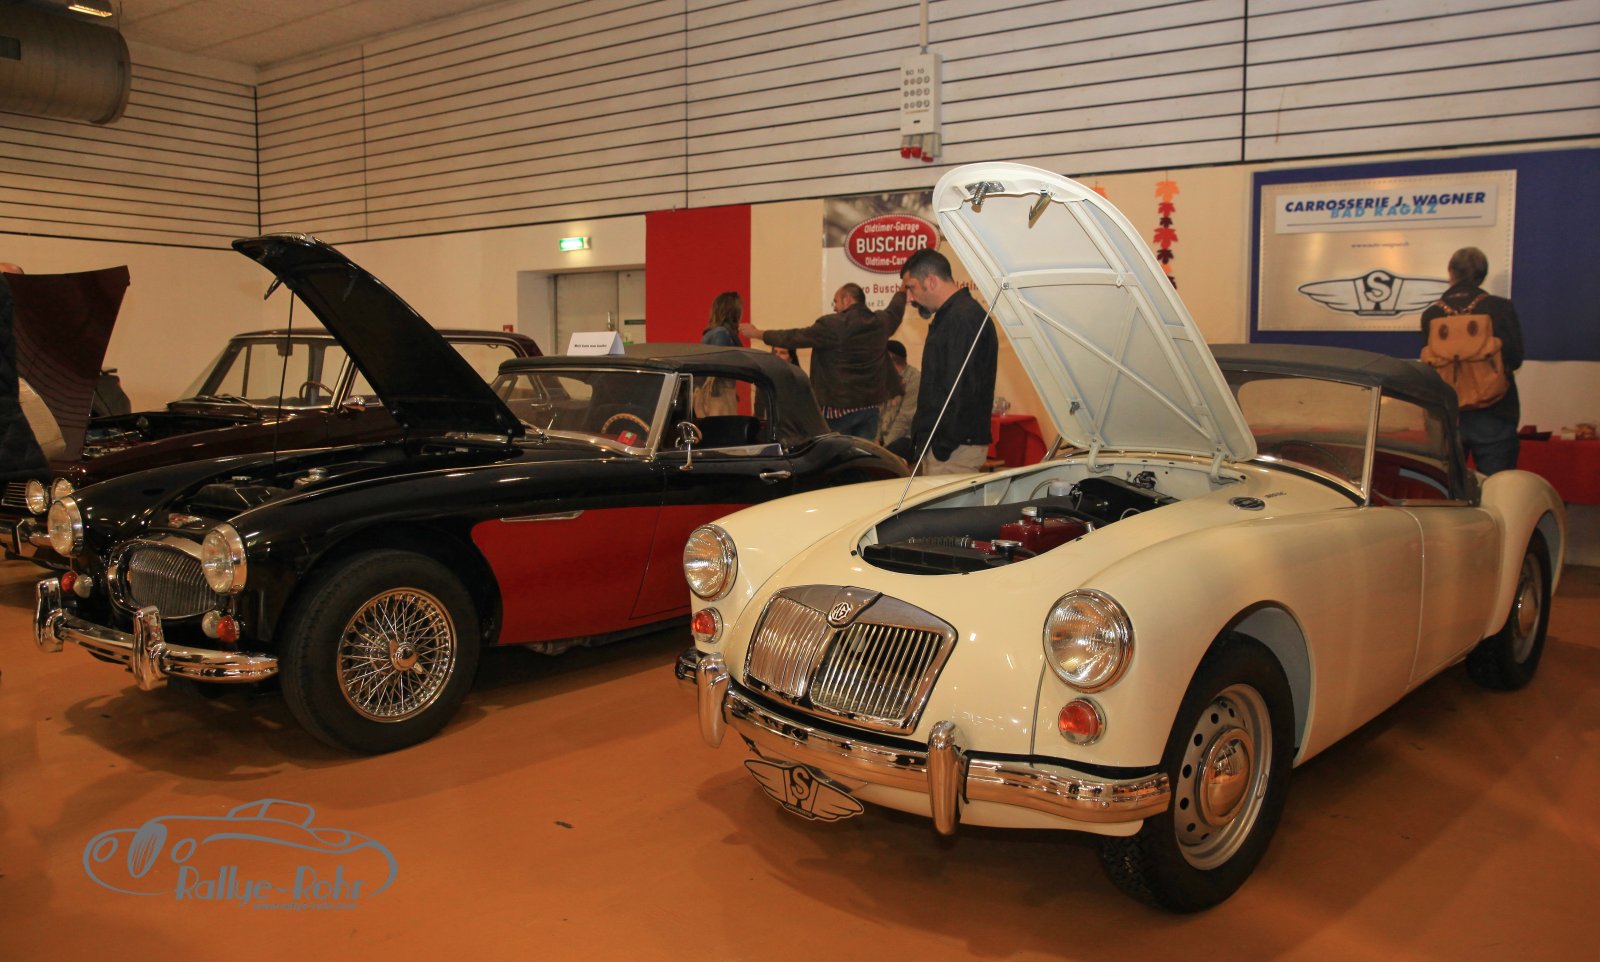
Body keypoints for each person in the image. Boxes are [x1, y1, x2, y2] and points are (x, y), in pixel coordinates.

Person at [741, 283, 905, 440]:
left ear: (847, 299)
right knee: (861, 457)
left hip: (838, 411)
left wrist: (757, 333)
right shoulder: (880, 322)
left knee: (835, 457)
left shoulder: (832, 325)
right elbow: (895, 310)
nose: (834, 308)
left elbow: (793, 337)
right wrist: (902, 291)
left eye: (836, 302)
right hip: (870, 409)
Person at [1420, 246, 1525, 474]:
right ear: (1482, 275)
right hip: (1494, 412)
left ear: (1451, 272)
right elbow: (1515, 358)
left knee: (1446, 486)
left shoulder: (1432, 314)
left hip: (1447, 415)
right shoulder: (1500, 308)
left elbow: (1429, 366)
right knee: (1497, 486)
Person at [894, 248, 997, 473]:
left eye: (911, 288)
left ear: (931, 281)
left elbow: (959, 389)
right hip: (947, 447)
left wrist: (942, 446)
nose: (909, 298)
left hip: (952, 450)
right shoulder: (952, 316)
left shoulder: (961, 319)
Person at [696, 291, 743, 416]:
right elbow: (718, 368)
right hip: (718, 395)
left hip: (711, 395)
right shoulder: (722, 334)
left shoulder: (712, 333)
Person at [877, 339, 919, 448]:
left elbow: (904, 420)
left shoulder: (915, 380)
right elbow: (878, 413)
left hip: (904, 439)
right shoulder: (884, 377)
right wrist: (875, 441)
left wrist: (884, 449)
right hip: (884, 438)